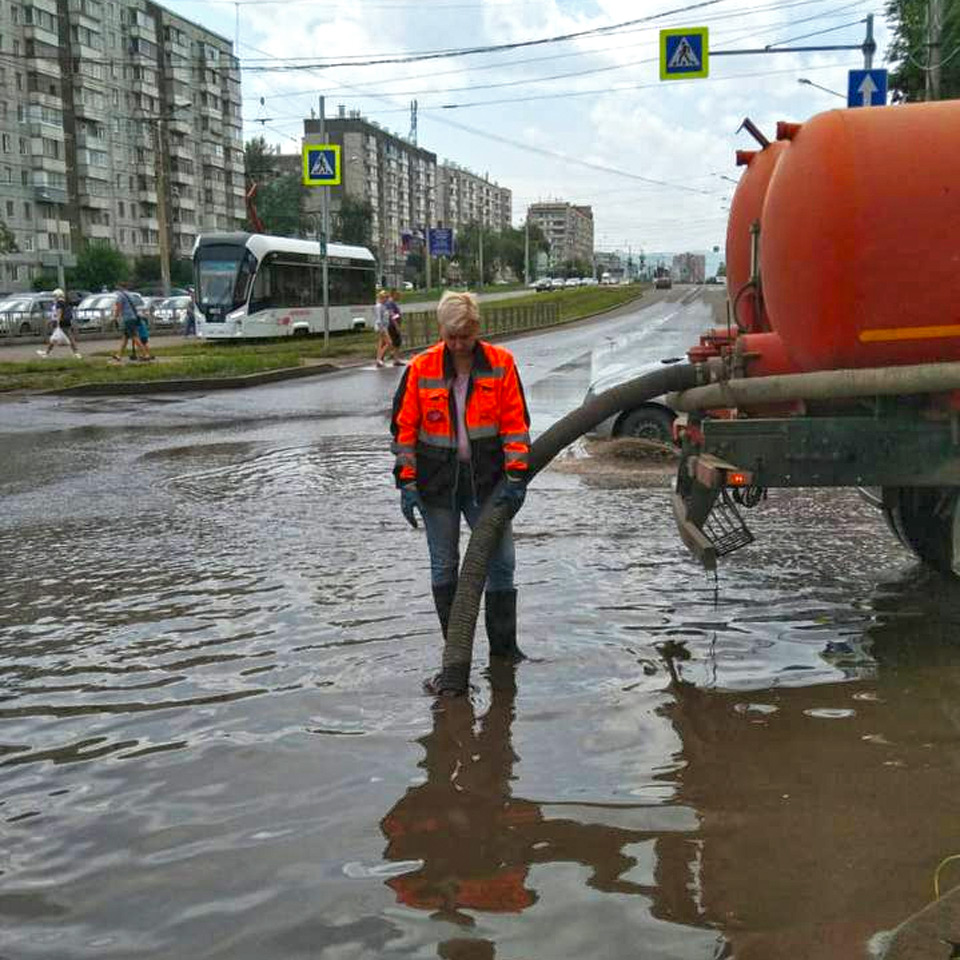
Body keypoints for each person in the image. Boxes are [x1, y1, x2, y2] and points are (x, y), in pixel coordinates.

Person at [390, 290, 530, 667]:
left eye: (464, 337)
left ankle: (504, 652)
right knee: (444, 565)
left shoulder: (501, 364)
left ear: (476, 330)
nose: (457, 345)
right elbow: (404, 432)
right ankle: (457, 657)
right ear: (441, 330)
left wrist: (516, 479)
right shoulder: (422, 368)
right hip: (438, 485)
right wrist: (406, 482)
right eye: (450, 337)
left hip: (489, 483)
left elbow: (516, 427)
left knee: (501, 563)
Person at [110, 282, 150, 362]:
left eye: (118, 287)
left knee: (134, 337)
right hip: (133, 317)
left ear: (120, 287)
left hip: (128, 319)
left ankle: (145, 355)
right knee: (125, 338)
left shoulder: (121, 296)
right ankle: (119, 355)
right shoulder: (130, 295)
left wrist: (115, 317)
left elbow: (119, 307)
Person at [37, 289, 81, 359]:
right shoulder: (66, 302)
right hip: (67, 321)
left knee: (66, 338)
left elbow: (59, 313)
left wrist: (57, 323)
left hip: (61, 323)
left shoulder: (59, 303)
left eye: (54, 296)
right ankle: (47, 353)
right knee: (56, 338)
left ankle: (76, 353)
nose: (54, 297)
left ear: (57, 295)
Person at [374, 289, 397, 368]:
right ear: (380, 298)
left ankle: (378, 360)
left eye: (386, 297)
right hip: (382, 327)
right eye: (384, 297)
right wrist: (382, 329)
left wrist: (393, 315)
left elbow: (390, 315)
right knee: (389, 343)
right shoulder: (379, 306)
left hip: (385, 327)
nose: (386, 299)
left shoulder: (384, 306)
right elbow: (378, 319)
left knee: (381, 344)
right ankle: (379, 359)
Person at [386, 289, 406, 367]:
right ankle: (395, 359)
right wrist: (396, 325)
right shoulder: (390, 303)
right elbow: (392, 314)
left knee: (395, 342)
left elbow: (395, 314)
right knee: (395, 342)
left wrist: (399, 317)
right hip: (392, 325)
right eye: (398, 295)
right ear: (394, 295)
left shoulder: (392, 303)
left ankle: (395, 358)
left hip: (393, 324)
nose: (399, 297)